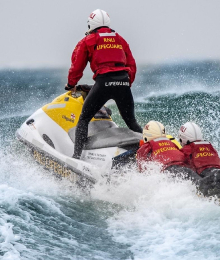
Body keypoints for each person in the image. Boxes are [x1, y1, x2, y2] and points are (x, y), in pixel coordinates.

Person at [66, 9, 142, 159]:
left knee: (84, 119)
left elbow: (77, 66)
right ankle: (151, 154)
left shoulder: (88, 40)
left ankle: (76, 157)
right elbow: (132, 65)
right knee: (132, 122)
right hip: (123, 82)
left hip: (103, 82)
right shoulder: (120, 39)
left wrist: (71, 84)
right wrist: (126, 84)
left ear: (90, 24)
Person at [178, 122, 220, 196]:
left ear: (183, 139)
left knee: (203, 189)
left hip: (211, 177)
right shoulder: (209, 146)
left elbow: (178, 165)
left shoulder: (187, 149)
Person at [136, 121, 202, 183]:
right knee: (199, 183)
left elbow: (141, 165)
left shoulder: (148, 145)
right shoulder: (171, 142)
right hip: (184, 168)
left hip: (169, 171)